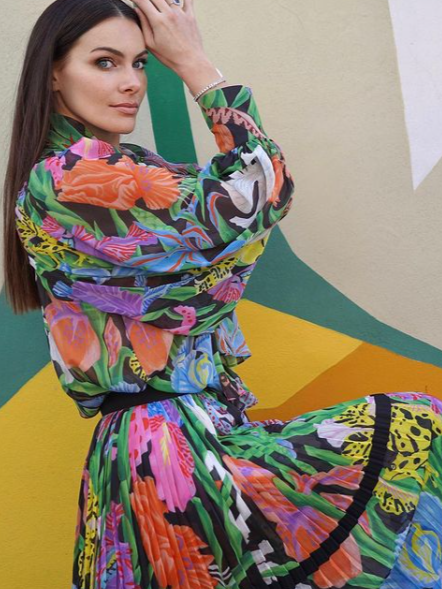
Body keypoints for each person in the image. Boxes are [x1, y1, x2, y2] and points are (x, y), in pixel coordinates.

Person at [2, 0, 442, 587]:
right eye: (105, 62)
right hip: (168, 455)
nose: (131, 82)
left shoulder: (126, 170)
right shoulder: (69, 179)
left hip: (181, 443)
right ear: (53, 72)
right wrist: (193, 63)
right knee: (417, 427)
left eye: (140, 63)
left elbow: (247, 207)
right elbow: (257, 188)